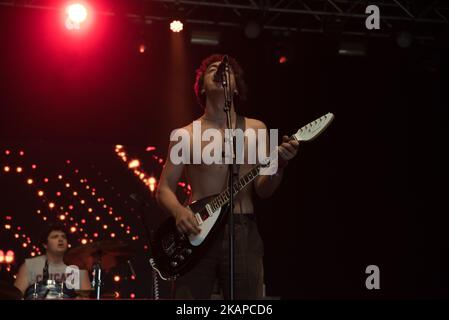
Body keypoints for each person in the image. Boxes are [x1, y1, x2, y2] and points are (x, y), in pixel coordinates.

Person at [156, 54, 299, 299]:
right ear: (201, 85)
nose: (220, 71)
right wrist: (180, 212)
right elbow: (164, 189)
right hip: (197, 229)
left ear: (236, 87)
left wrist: (280, 166)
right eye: (213, 69)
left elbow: (264, 189)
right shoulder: (184, 134)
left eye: (227, 70)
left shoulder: (257, 128)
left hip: (243, 228)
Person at [13, 223, 92, 299]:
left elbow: (85, 297)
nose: (61, 239)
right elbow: (15, 295)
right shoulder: (30, 265)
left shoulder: (78, 267)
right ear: (45, 244)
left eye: (64, 237)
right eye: (55, 237)